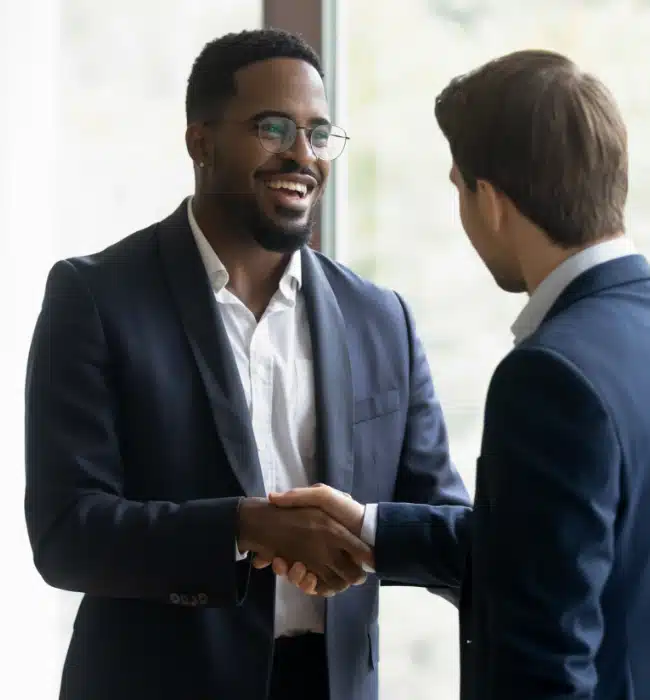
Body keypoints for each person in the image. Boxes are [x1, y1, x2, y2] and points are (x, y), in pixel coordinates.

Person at [23, 28, 470, 700]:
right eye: (273, 127)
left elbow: (442, 524)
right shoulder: (94, 299)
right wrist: (240, 525)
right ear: (201, 143)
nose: (302, 154)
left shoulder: (383, 319)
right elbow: (67, 533)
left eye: (319, 134)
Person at [265, 50, 650, 700]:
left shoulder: (549, 376)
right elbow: (556, 549)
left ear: (492, 201)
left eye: (458, 188)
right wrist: (371, 528)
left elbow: (545, 664)